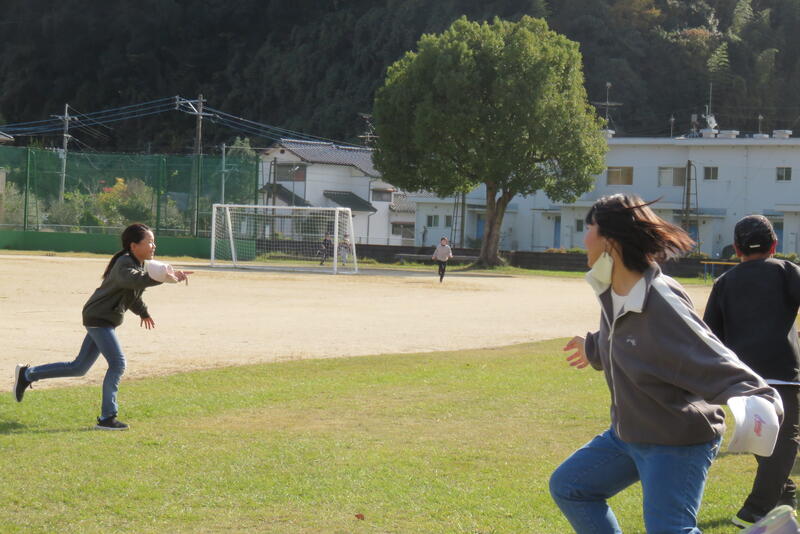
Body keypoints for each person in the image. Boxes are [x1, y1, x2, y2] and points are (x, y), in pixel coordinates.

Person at [551, 194, 782, 534]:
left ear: (610, 241)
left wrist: (757, 397)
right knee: (571, 486)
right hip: (629, 433)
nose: (584, 237)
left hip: (676, 439)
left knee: (669, 529)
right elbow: (630, 340)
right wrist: (594, 347)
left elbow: (712, 355)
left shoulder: (661, 301)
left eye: (589, 228)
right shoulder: (613, 289)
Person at [12, 223, 192, 431]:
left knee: (79, 367)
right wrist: (165, 278)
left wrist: (143, 312)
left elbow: (131, 295)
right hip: (99, 318)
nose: (153, 246)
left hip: (102, 318)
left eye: (154, 242)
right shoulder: (125, 263)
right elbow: (133, 281)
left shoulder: (138, 264)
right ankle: (108, 418)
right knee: (117, 364)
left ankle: (27, 374)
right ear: (134, 246)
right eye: (149, 242)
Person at [703, 215, 800, 528]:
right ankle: (755, 511)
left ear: (736, 248)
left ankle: (785, 498)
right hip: (784, 372)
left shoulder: (724, 283)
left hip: (742, 380)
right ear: (775, 245)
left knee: (765, 441)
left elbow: (710, 336)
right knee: (785, 441)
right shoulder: (788, 271)